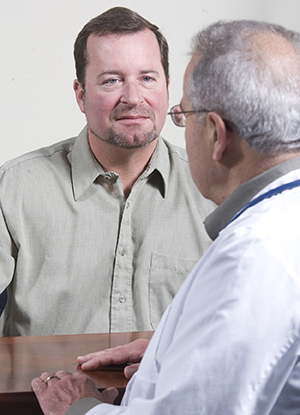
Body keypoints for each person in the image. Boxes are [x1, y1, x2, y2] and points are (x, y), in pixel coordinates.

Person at [32, 19, 300, 414]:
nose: (133, 97)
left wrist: (77, 408)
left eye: (183, 116)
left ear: (215, 133)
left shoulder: (252, 256)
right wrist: (171, 347)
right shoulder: (278, 227)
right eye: (111, 80)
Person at [0, 7, 214, 337]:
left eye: (147, 78)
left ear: (167, 87)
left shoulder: (213, 189)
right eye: (112, 80)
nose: (133, 97)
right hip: (39, 389)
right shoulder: (14, 189)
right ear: (81, 95)